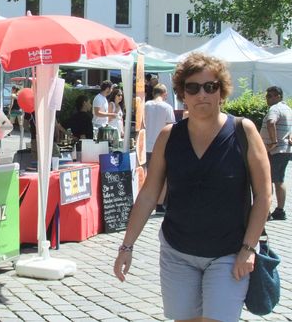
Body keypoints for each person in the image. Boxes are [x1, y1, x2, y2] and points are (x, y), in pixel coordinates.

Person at [114, 52, 271, 322]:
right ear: (182, 93)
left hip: (228, 251)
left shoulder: (243, 131)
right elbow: (149, 193)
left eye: (211, 87)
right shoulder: (169, 136)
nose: (202, 94)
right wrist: (126, 247)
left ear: (222, 92)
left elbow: (263, 195)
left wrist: (248, 248)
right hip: (178, 251)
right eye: (193, 87)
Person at [260, 86, 292, 221]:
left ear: (278, 96)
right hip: (285, 150)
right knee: (279, 180)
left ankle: (266, 212)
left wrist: (273, 142)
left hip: (274, 150)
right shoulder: (288, 109)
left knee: (268, 181)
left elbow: (270, 122)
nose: (268, 99)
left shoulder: (275, 108)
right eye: (267, 96)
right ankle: (280, 210)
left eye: (270, 96)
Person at [144, 83, 175, 213]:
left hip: (146, 144)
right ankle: (160, 205)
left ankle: (148, 202)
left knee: (150, 176)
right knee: (164, 176)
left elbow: (141, 124)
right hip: (162, 145)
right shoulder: (167, 107)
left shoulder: (145, 105)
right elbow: (171, 127)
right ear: (164, 93)